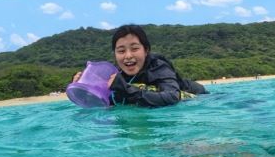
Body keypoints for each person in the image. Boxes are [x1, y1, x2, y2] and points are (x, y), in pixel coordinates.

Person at [72, 24, 207, 107]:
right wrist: (82, 88)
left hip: (201, 97)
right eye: (121, 51)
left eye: (135, 48)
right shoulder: (116, 74)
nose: (128, 56)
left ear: (146, 50)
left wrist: (127, 90)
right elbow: (105, 100)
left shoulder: (159, 67)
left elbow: (172, 97)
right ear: (115, 54)